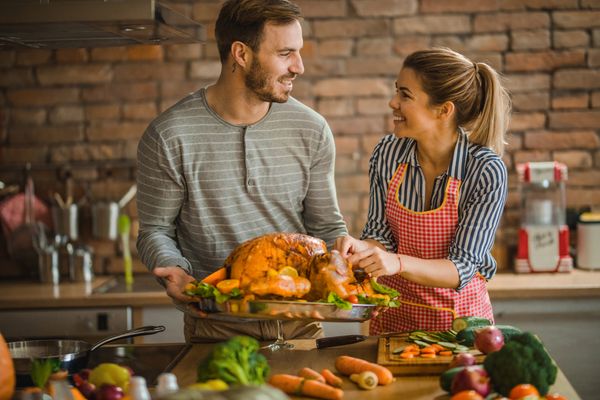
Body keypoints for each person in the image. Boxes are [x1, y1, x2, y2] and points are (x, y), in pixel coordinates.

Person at [136, 0, 347, 342]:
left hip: (300, 324)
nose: (299, 67)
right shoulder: (169, 135)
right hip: (215, 326)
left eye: (299, 52)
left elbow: (325, 226)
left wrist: (345, 253)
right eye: (285, 53)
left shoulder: (312, 129)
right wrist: (174, 271)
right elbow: (155, 229)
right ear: (241, 54)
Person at [335, 48, 510, 335]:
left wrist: (397, 263)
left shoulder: (484, 170)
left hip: (459, 329)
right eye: (396, 92)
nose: (393, 102)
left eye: (405, 95)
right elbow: (381, 236)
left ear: (444, 110)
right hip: (393, 319)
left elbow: (462, 268)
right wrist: (363, 248)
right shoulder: (388, 153)